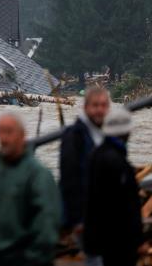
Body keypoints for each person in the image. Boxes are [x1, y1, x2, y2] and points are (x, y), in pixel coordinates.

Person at [0, 113, 61, 266]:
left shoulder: (38, 175)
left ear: (22, 136)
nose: (4, 138)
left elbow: (46, 228)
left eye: (9, 132)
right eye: (0, 132)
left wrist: (31, 260)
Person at [83, 107, 145, 266]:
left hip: (99, 239)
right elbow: (125, 206)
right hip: (118, 243)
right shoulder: (117, 161)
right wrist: (137, 239)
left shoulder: (96, 154)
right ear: (127, 132)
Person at [59, 87, 109, 265]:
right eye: (95, 105)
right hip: (84, 216)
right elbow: (69, 180)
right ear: (86, 107)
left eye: (103, 106)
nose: (100, 110)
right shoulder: (75, 136)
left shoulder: (102, 135)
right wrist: (77, 219)